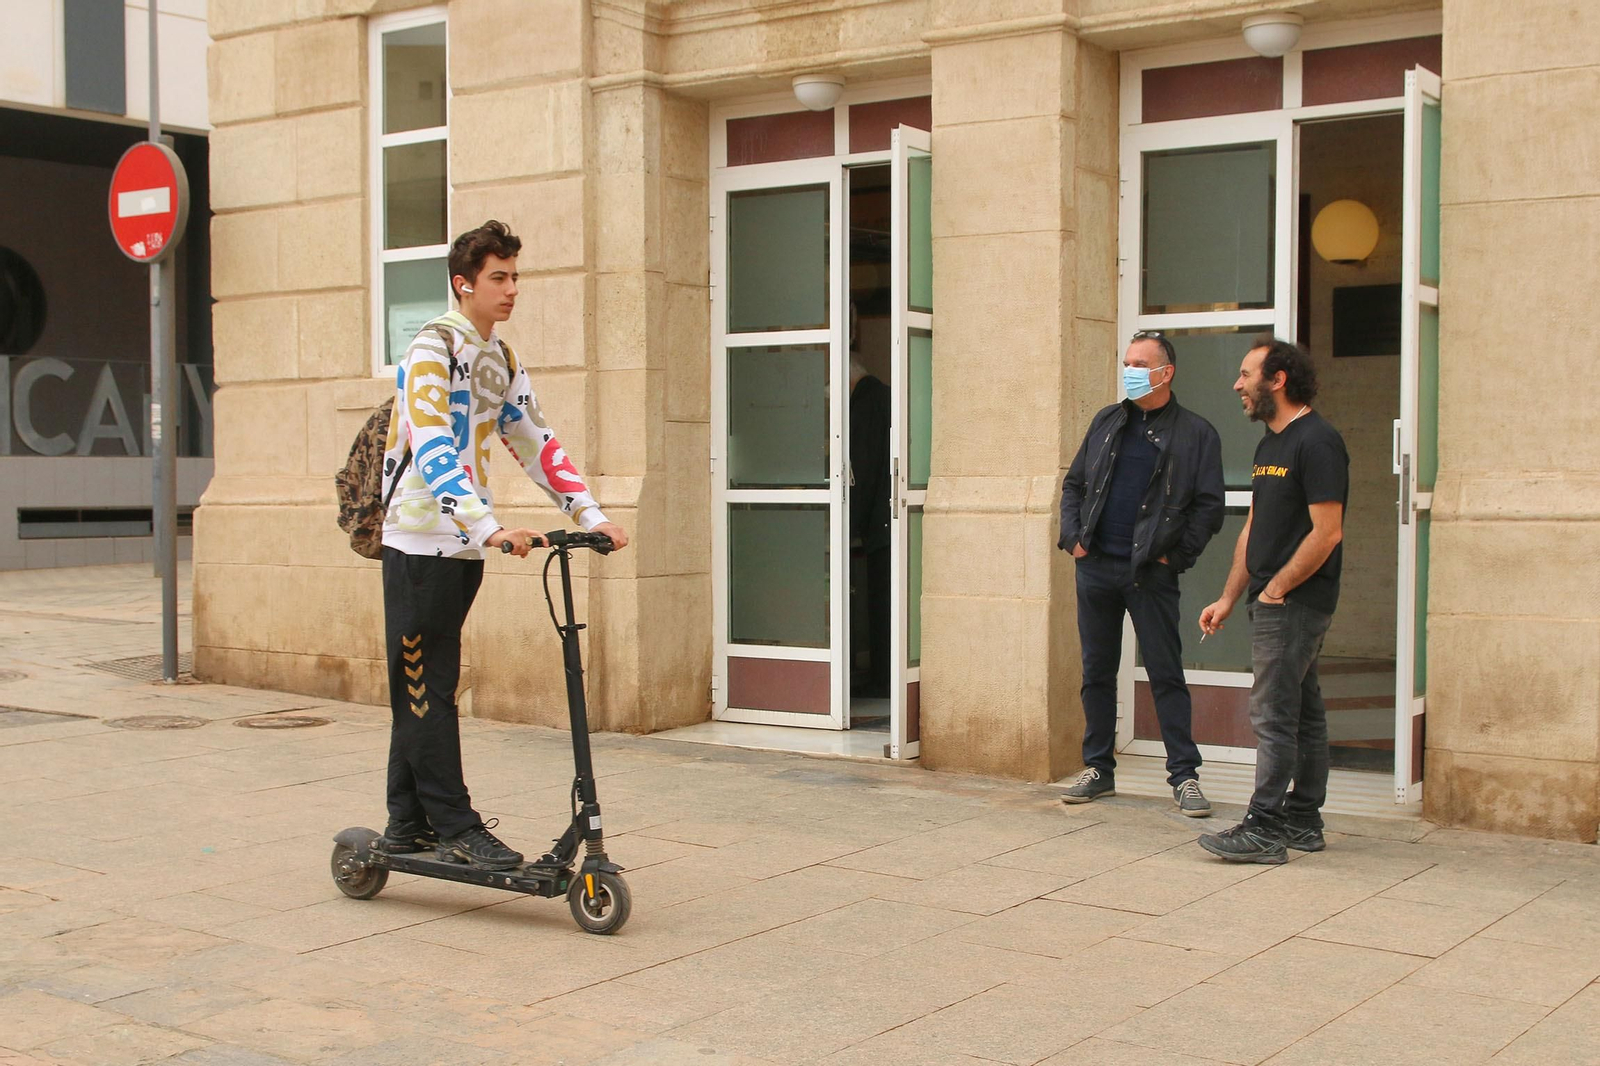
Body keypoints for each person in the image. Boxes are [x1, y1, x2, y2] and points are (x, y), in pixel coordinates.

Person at [376, 220, 629, 870]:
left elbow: (536, 442)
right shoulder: (432, 350)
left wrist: (590, 514)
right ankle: (456, 825)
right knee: (424, 687)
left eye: (515, 275)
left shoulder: (501, 358)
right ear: (464, 285)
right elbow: (432, 443)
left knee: (431, 683)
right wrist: (487, 526)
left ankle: (406, 823)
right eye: (499, 277)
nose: (512, 288)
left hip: (460, 548)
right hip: (417, 545)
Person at [1058, 331, 1225, 816]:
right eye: (1126, 362)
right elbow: (1074, 484)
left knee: (1164, 672)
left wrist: (1176, 557)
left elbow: (1208, 508)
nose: (1128, 371)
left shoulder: (1196, 434)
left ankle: (1184, 775)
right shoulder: (1107, 421)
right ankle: (1098, 768)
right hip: (1096, 568)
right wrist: (1075, 540)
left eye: (1138, 363)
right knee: (1096, 671)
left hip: (1149, 572)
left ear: (1165, 372)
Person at [1197, 335, 1347, 864]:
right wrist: (1229, 596)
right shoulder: (1270, 445)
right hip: (1273, 599)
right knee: (1303, 713)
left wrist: (1279, 588)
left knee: (1273, 715)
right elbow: (1256, 527)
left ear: (1277, 380)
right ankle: (1304, 821)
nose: (1237, 385)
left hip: (1295, 603)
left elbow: (1327, 532)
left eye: (1246, 374)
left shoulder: (1317, 441)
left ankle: (1264, 827)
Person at [849, 355, 892, 699]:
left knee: (881, 604)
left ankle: (882, 679)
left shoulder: (862, 406)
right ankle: (889, 675)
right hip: (892, 518)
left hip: (878, 524)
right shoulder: (890, 396)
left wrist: (852, 521)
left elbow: (860, 468)